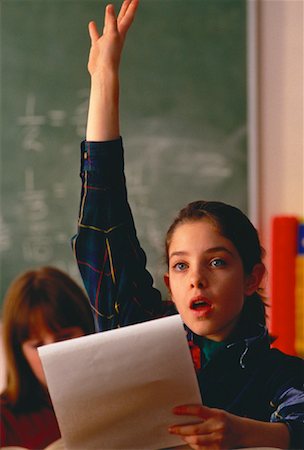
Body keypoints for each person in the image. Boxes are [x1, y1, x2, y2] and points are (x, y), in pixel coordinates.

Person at [72, 1, 304, 448]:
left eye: (217, 262)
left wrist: (244, 433)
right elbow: (103, 233)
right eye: (180, 266)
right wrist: (105, 80)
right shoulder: (138, 342)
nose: (196, 278)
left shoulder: (282, 376)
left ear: (253, 275)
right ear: (168, 282)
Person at [0, 266, 95, 449]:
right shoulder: (5, 421)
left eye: (65, 337)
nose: (53, 353)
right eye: (38, 345)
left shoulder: (123, 396)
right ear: (19, 353)